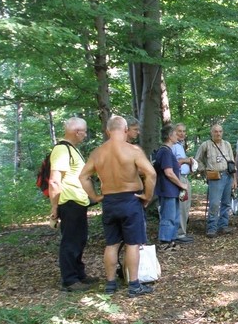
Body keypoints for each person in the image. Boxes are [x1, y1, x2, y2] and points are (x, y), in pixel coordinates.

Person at [79, 115, 157, 297]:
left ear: (107, 131)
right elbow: (151, 174)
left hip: (109, 201)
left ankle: (110, 284)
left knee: (111, 244)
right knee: (132, 244)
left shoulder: (97, 153)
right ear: (125, 130)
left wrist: (95, 196)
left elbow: (83, 177)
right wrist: (147, 195)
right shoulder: (133, 150)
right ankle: (134, 285)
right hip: (130, 199)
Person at [48, 117, 95, 292]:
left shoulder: (72, 149)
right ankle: (69, 280)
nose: (85, 134)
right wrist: (55, 207)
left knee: (80, 239)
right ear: (77, 132)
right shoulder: (61, 150)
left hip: (78, 201)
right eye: (84, 131)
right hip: (69, 202)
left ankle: (79, 274)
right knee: (71, 241)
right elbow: (54, 181)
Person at [195, 123, 236, 238]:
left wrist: (234, 179)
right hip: (215, 177)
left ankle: (223, 225)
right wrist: (205, 171)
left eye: (220, 131)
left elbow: (232, 162)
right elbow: (197, 160)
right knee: (214, 203)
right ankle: (211, 228)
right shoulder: (206, 145)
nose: (218, 133)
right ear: (211, 133)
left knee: (226, 203)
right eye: (215, 131)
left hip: (227, 175)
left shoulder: (227, 144)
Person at [153, 125, 189, 251]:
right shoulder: (165, 151)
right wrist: (181, 184)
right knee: (168, 216)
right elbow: (168, 172)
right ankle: (164, 242)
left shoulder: (168, 150)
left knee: (174, 216)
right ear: (169, 136)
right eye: (175, 133)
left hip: (173, 190)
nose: (177, 136)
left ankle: (172, 240)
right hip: (167, 189)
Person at [171, 122, 196, 242]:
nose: (182, 133)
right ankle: (179, 234)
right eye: (179, 131)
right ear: (174, 132)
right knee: (182, 205)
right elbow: (176, 162)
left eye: (184, 131)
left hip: (184, 177)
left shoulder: (180, 145)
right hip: (179, 178)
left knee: (185, 205)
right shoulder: (173, 146)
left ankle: (182, 231)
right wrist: (188, 160)